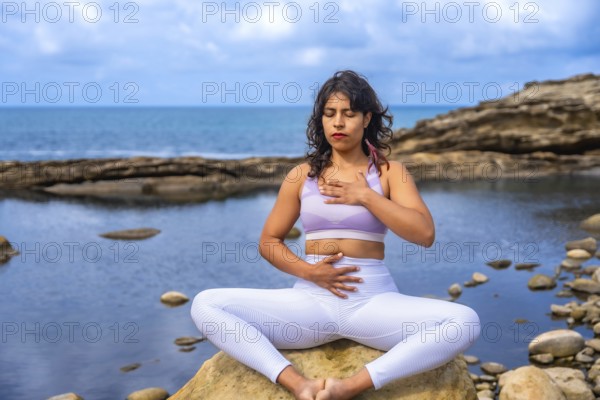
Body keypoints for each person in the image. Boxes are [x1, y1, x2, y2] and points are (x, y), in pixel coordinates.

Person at [190, 70, 481, 400]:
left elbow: (424, 233)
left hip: (373, 302)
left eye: (348, 113)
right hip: (310, 304)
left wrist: (367, 196)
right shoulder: (301, 176)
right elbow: (269, 241)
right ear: (321, 120)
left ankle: (349, 387)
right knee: (206, 305)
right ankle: (300, 385)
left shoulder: (390, 173)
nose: (338, 123)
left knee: (465, 322)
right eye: (330, 114)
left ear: (366, 118)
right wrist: (310, 271)